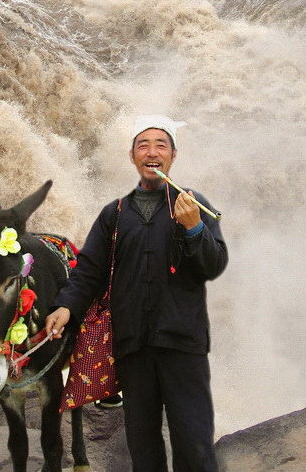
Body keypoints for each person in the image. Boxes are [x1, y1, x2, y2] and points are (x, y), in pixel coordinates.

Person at [45, 114, 228, 472]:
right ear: (132, 157)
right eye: (143, 145)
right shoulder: (114, 214)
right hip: (132, 346)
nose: (152, 152)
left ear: (173, 155)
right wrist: (65, 307)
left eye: (161, 145)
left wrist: (194, 230)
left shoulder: (194, 205)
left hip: (183, 344)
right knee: (142, 446)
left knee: (194, 442)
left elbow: (214, 264)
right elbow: (89, 272)